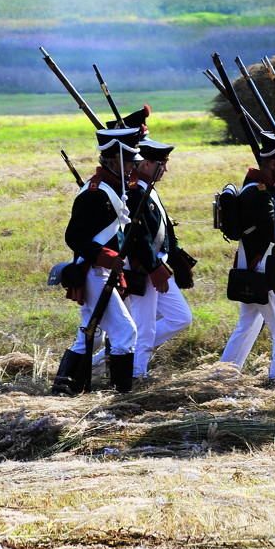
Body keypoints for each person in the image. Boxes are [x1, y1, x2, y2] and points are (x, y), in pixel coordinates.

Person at [53, 127, 142, 396]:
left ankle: (65, 389)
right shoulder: (96, 192)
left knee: (90, 335)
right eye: (129, 161)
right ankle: (120, 396)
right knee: (126, 333)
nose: (134, 168)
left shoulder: (113, 189)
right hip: (92, 270)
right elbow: (75, 236)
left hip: (101, 269)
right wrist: (108, 257)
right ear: (114, 160)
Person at [220, 130, 275, 373]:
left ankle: (223, 374)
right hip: (261, 271)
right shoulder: (261, 194)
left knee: (246, 326)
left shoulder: (256, 188)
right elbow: (271, 235)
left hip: (251, 268)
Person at [119, 136, 195, 380]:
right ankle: (135, 374)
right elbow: (138, 238)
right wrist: (155, 271)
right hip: (144, 268)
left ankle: (115, 357)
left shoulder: (147, 190)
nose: (165, 169)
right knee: (145, 326)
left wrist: (177, 259)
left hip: (157, 265)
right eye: (161, 164)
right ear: (147, 164)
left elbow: (164, 231)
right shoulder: (133, 192)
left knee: (181, 317)